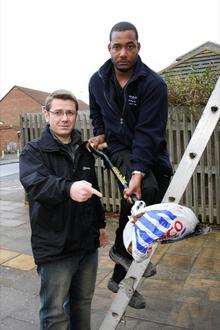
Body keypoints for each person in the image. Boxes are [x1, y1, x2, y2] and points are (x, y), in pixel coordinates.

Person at [88, 22, 173, 309]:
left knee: (153, 198)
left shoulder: (153, 84)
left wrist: (138, 169)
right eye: (117, 46)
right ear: (108, 48)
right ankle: (121, 249)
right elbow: (97, 111)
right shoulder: (97, 80)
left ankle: (118, 275)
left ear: (138, 46)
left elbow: (148, 134)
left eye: (129, 46)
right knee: (142, 190)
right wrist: (100, 132)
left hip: (149, 148)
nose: (123, 52)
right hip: (118, 146)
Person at [19, 89, 109, 330]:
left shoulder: (84, 150)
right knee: (54, 313)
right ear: (46, 114)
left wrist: (100, 225)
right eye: (58, 112)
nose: (64, 118)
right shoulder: (33, 151)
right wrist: (68, 188)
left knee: (82, 303)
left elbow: (93, 190)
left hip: (86, 243)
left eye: (70, 112)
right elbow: (35, 184)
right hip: (54, 245)